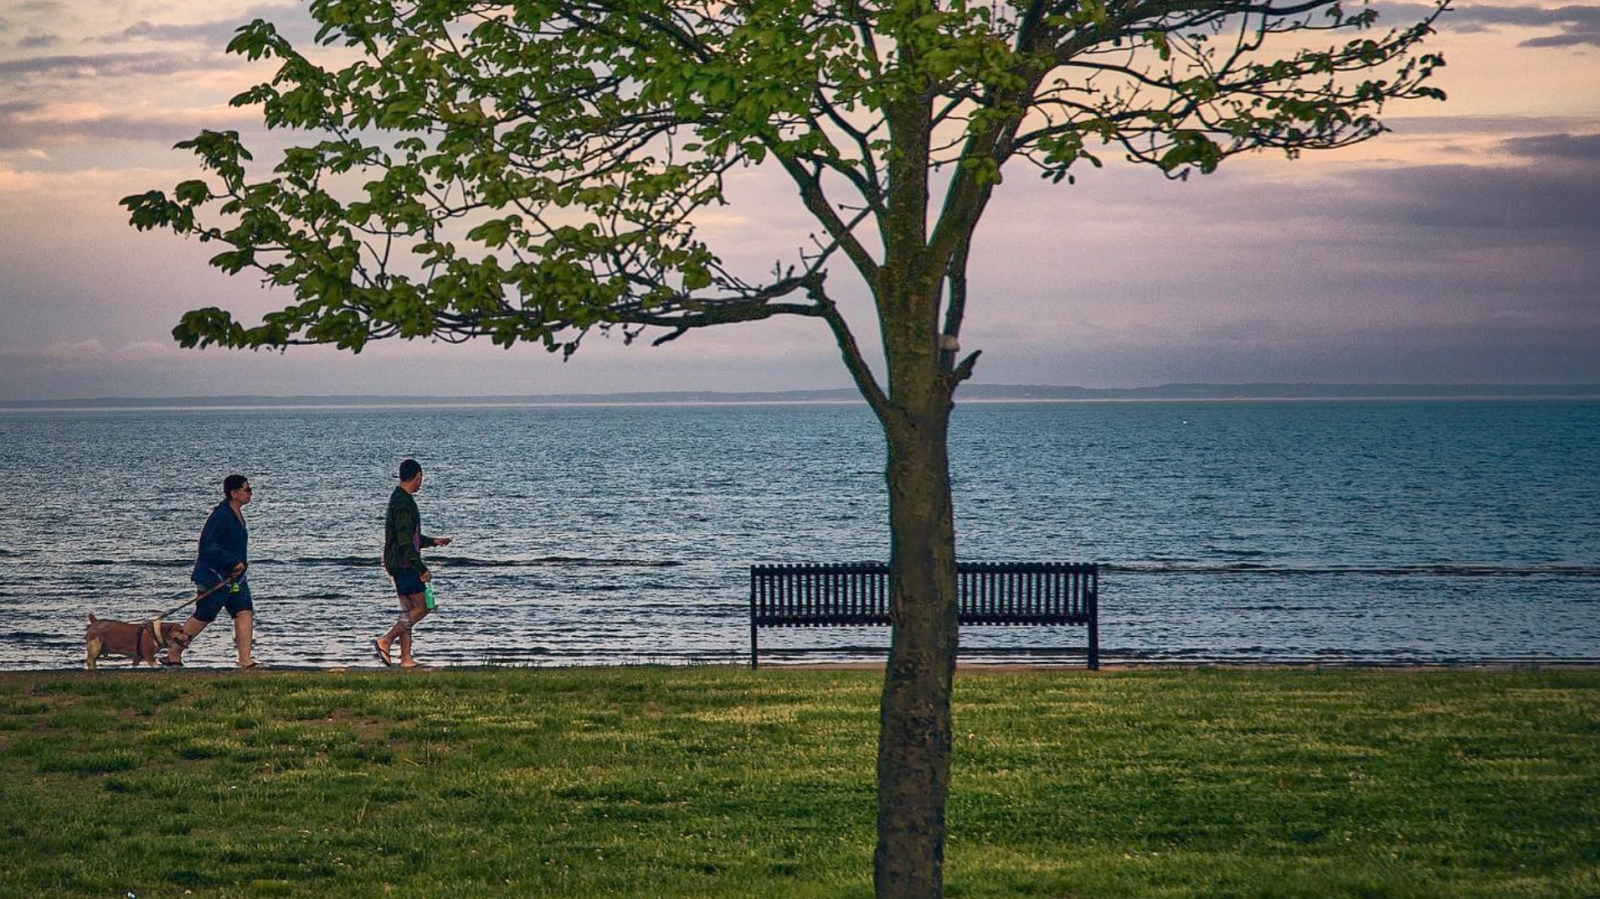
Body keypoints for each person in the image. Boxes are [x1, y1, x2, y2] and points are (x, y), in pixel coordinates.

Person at [166, 474, 260, 668]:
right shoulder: (221, 516)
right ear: (234, 493)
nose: (250, 493)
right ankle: (174, 652)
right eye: (247, 490)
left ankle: (245, 660)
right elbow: (207, 546)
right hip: (214, 576)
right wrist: (232, 561)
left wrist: (239, 565)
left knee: (244, 612)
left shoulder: (237, 515)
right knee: (205, 615)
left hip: (235, 579)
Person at [373, 458, 451, 668]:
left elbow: (410, 535)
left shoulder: (399, 499)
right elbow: (405, 541)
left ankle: (406, 658)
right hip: (404, 564)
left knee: (408, 611)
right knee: (423, 607)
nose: (421, 482)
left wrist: (432, 542)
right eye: (421, 477)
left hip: (400, 562)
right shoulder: (403, 503)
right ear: (417, 476)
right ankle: (386, 640)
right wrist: (421, 568)